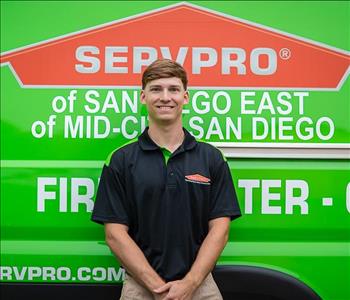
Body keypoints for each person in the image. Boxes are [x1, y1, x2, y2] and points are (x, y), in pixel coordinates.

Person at [91, 59, 241, 300]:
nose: (165, 97)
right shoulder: (120, 160)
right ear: (143, 97)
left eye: (173, 89)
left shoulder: (211, 158)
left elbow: (220, 230)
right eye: (156, 89)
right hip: (139, 287)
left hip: (200, 285)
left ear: (186, 97)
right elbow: (115, 234)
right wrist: (158, 288)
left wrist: (189, 284)